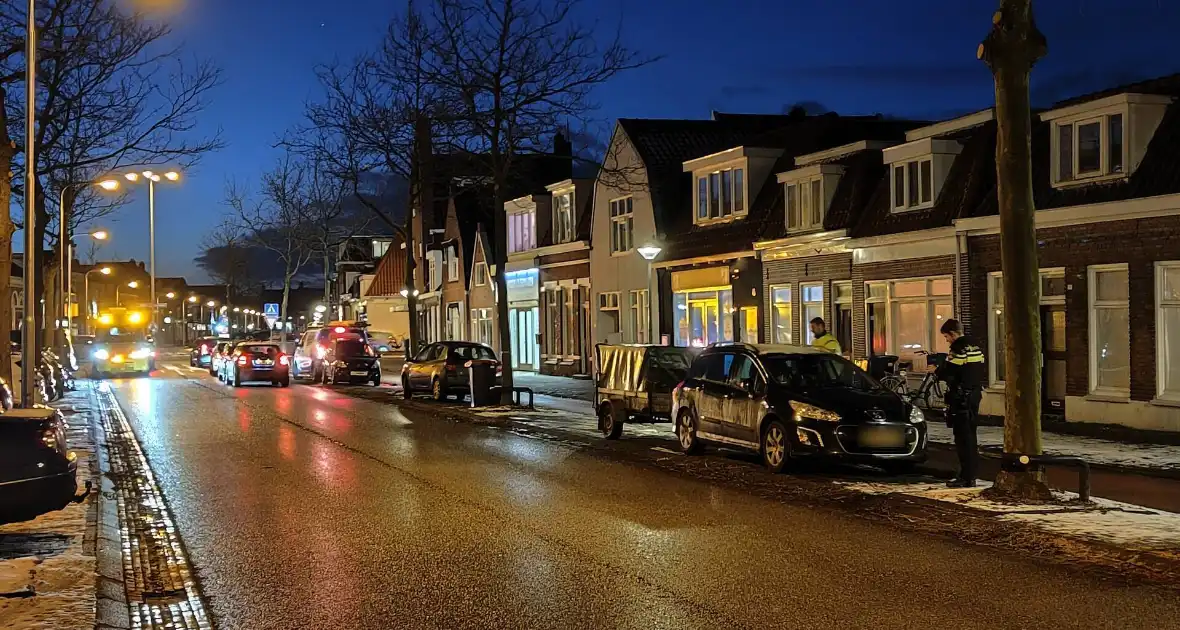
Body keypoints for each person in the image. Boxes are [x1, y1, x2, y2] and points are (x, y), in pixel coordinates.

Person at [933, 318, 985, 488]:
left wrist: (937, 371)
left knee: (962, 438)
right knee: (971, 435)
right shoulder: (976, 345)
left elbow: (950, 370)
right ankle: (971, 474)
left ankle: (966, 476)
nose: (946, 340)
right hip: (974, 395)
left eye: (946, 336)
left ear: (954, 334)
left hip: (961, 397)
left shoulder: (957, 348)